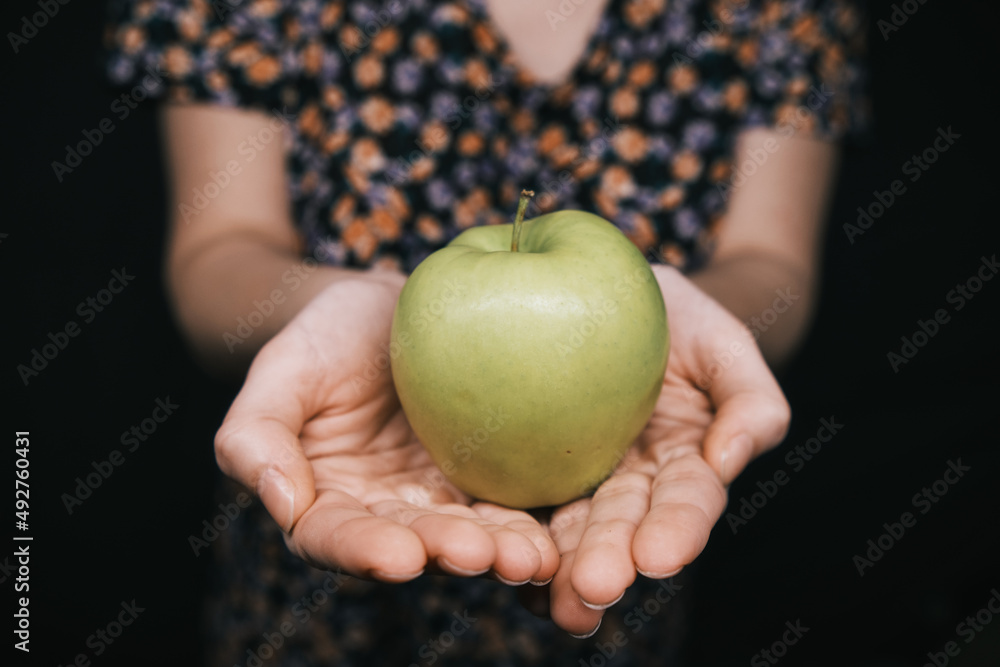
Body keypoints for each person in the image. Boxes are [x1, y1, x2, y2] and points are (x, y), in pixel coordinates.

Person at [106, 0, 866, 662]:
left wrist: (696, 322)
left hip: (616, 564)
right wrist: (373, 315)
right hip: (325, 518)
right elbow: (217, 255)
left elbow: (771, 265)